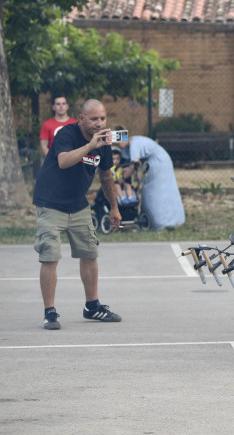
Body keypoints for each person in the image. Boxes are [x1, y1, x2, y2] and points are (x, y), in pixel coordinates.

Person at [33, 99, 123, 330]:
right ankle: (50, 313)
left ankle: (92, 306)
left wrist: (114, 207)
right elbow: (63, 161)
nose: (99, 123)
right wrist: (90, 146)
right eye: (94, 119)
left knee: (89, 253)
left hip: (78, 205)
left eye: (102, 118)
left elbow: (105, 176)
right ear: (81, 119)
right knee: (50, 256)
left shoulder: (103, 141)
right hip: (51, 203)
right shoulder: (67, 134)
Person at [113, 130, 185, 230]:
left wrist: (122, 179)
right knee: (153, 192)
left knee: (158, 193)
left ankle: (162, 222)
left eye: (119, 143)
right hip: (154, 163)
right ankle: (159, 221)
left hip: (158, 164)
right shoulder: (130, 145)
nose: (119, 146)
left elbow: (134, 164)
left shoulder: (134, 144)